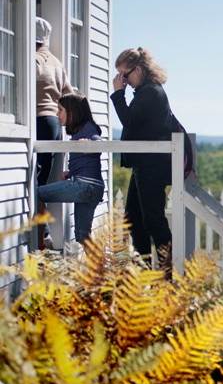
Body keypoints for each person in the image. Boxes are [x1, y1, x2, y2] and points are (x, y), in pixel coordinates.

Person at [110, 48, 173, 271]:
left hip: (152, 166)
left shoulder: (151, 92)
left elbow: (128, 119)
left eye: (124, 75)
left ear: (138, 69)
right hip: (143, 165)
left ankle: (166, 275)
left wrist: (118, 94)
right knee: (135, 221)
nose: (123, 81)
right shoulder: (146, 91)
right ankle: (144, 272)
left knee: (153, 221)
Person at [37, 93, 104, 250]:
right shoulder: (79, 130)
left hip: (85, 185)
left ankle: (41, 243)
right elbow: (87, 163)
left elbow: (98, 142)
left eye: (60, 110)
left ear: (72, 111)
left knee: (37, 194)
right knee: (83, 237)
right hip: (93, 187)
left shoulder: (88, 127)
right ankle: (103, 271)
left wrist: (90, 144)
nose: (57, 114)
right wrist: (71, 173)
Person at [35, 17, 74, 247]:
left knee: (37, 183)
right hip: (56, 126)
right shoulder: (57, 63)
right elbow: (69, 94)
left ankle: (43, 234)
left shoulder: (33, 60)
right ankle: (45, 232)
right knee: (45, 180)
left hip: (40, 121)